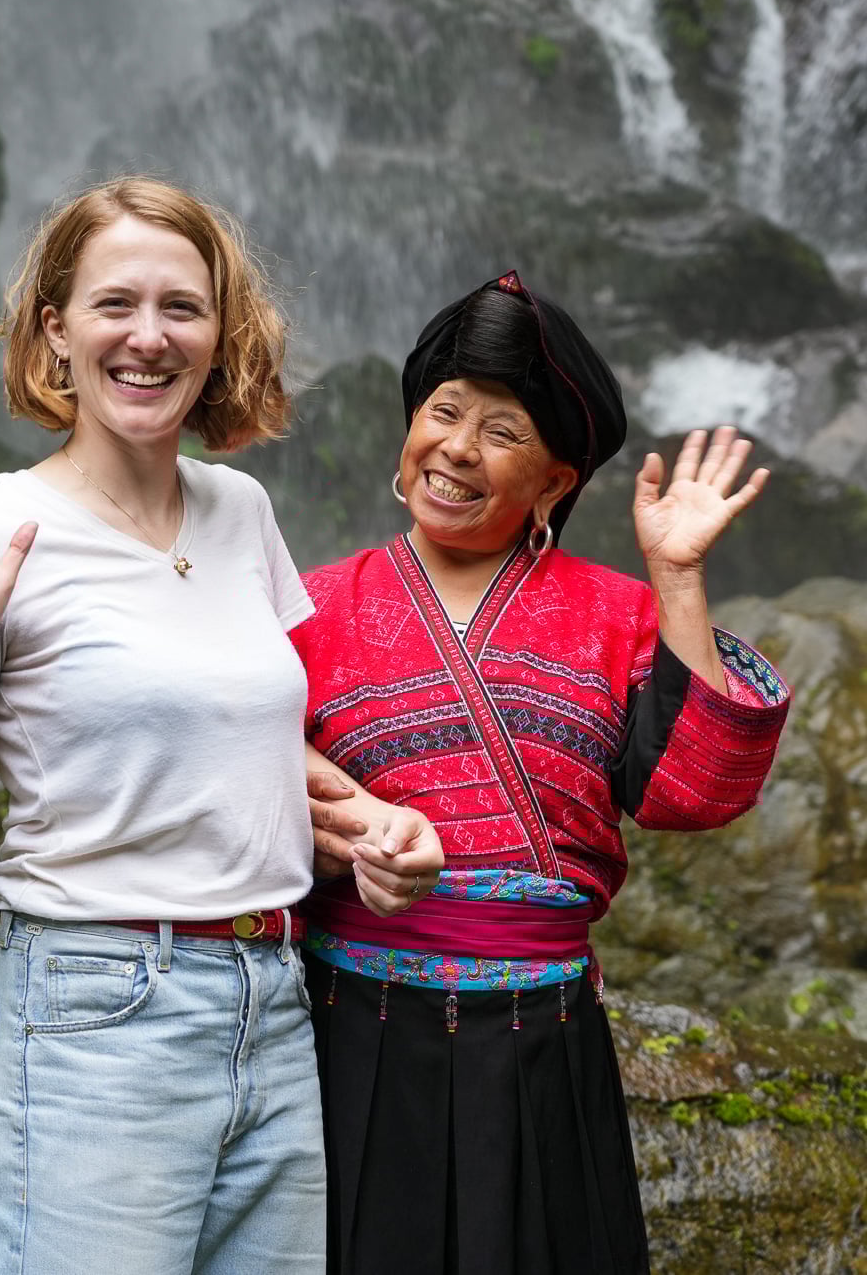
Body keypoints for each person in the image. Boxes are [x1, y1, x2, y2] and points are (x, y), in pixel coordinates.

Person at [0, 175, 353, 1275]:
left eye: (182, 307)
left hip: (272, 1004)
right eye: (113, 304)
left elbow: (252, 743)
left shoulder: (243, 510)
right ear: (57, 331)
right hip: (97, 1014)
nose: (148, 336)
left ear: (221, 335)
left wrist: (373, 821)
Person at [292, 270, 791, 1275]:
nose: (457, 451)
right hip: (351, 1031)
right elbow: (234, 780)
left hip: (542, 1034)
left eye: (503, 431)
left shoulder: (619, 613)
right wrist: (334, 822)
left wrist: (679, 577)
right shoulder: (310, 607)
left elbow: (693, 794)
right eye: (443, 413)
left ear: (558, 480)